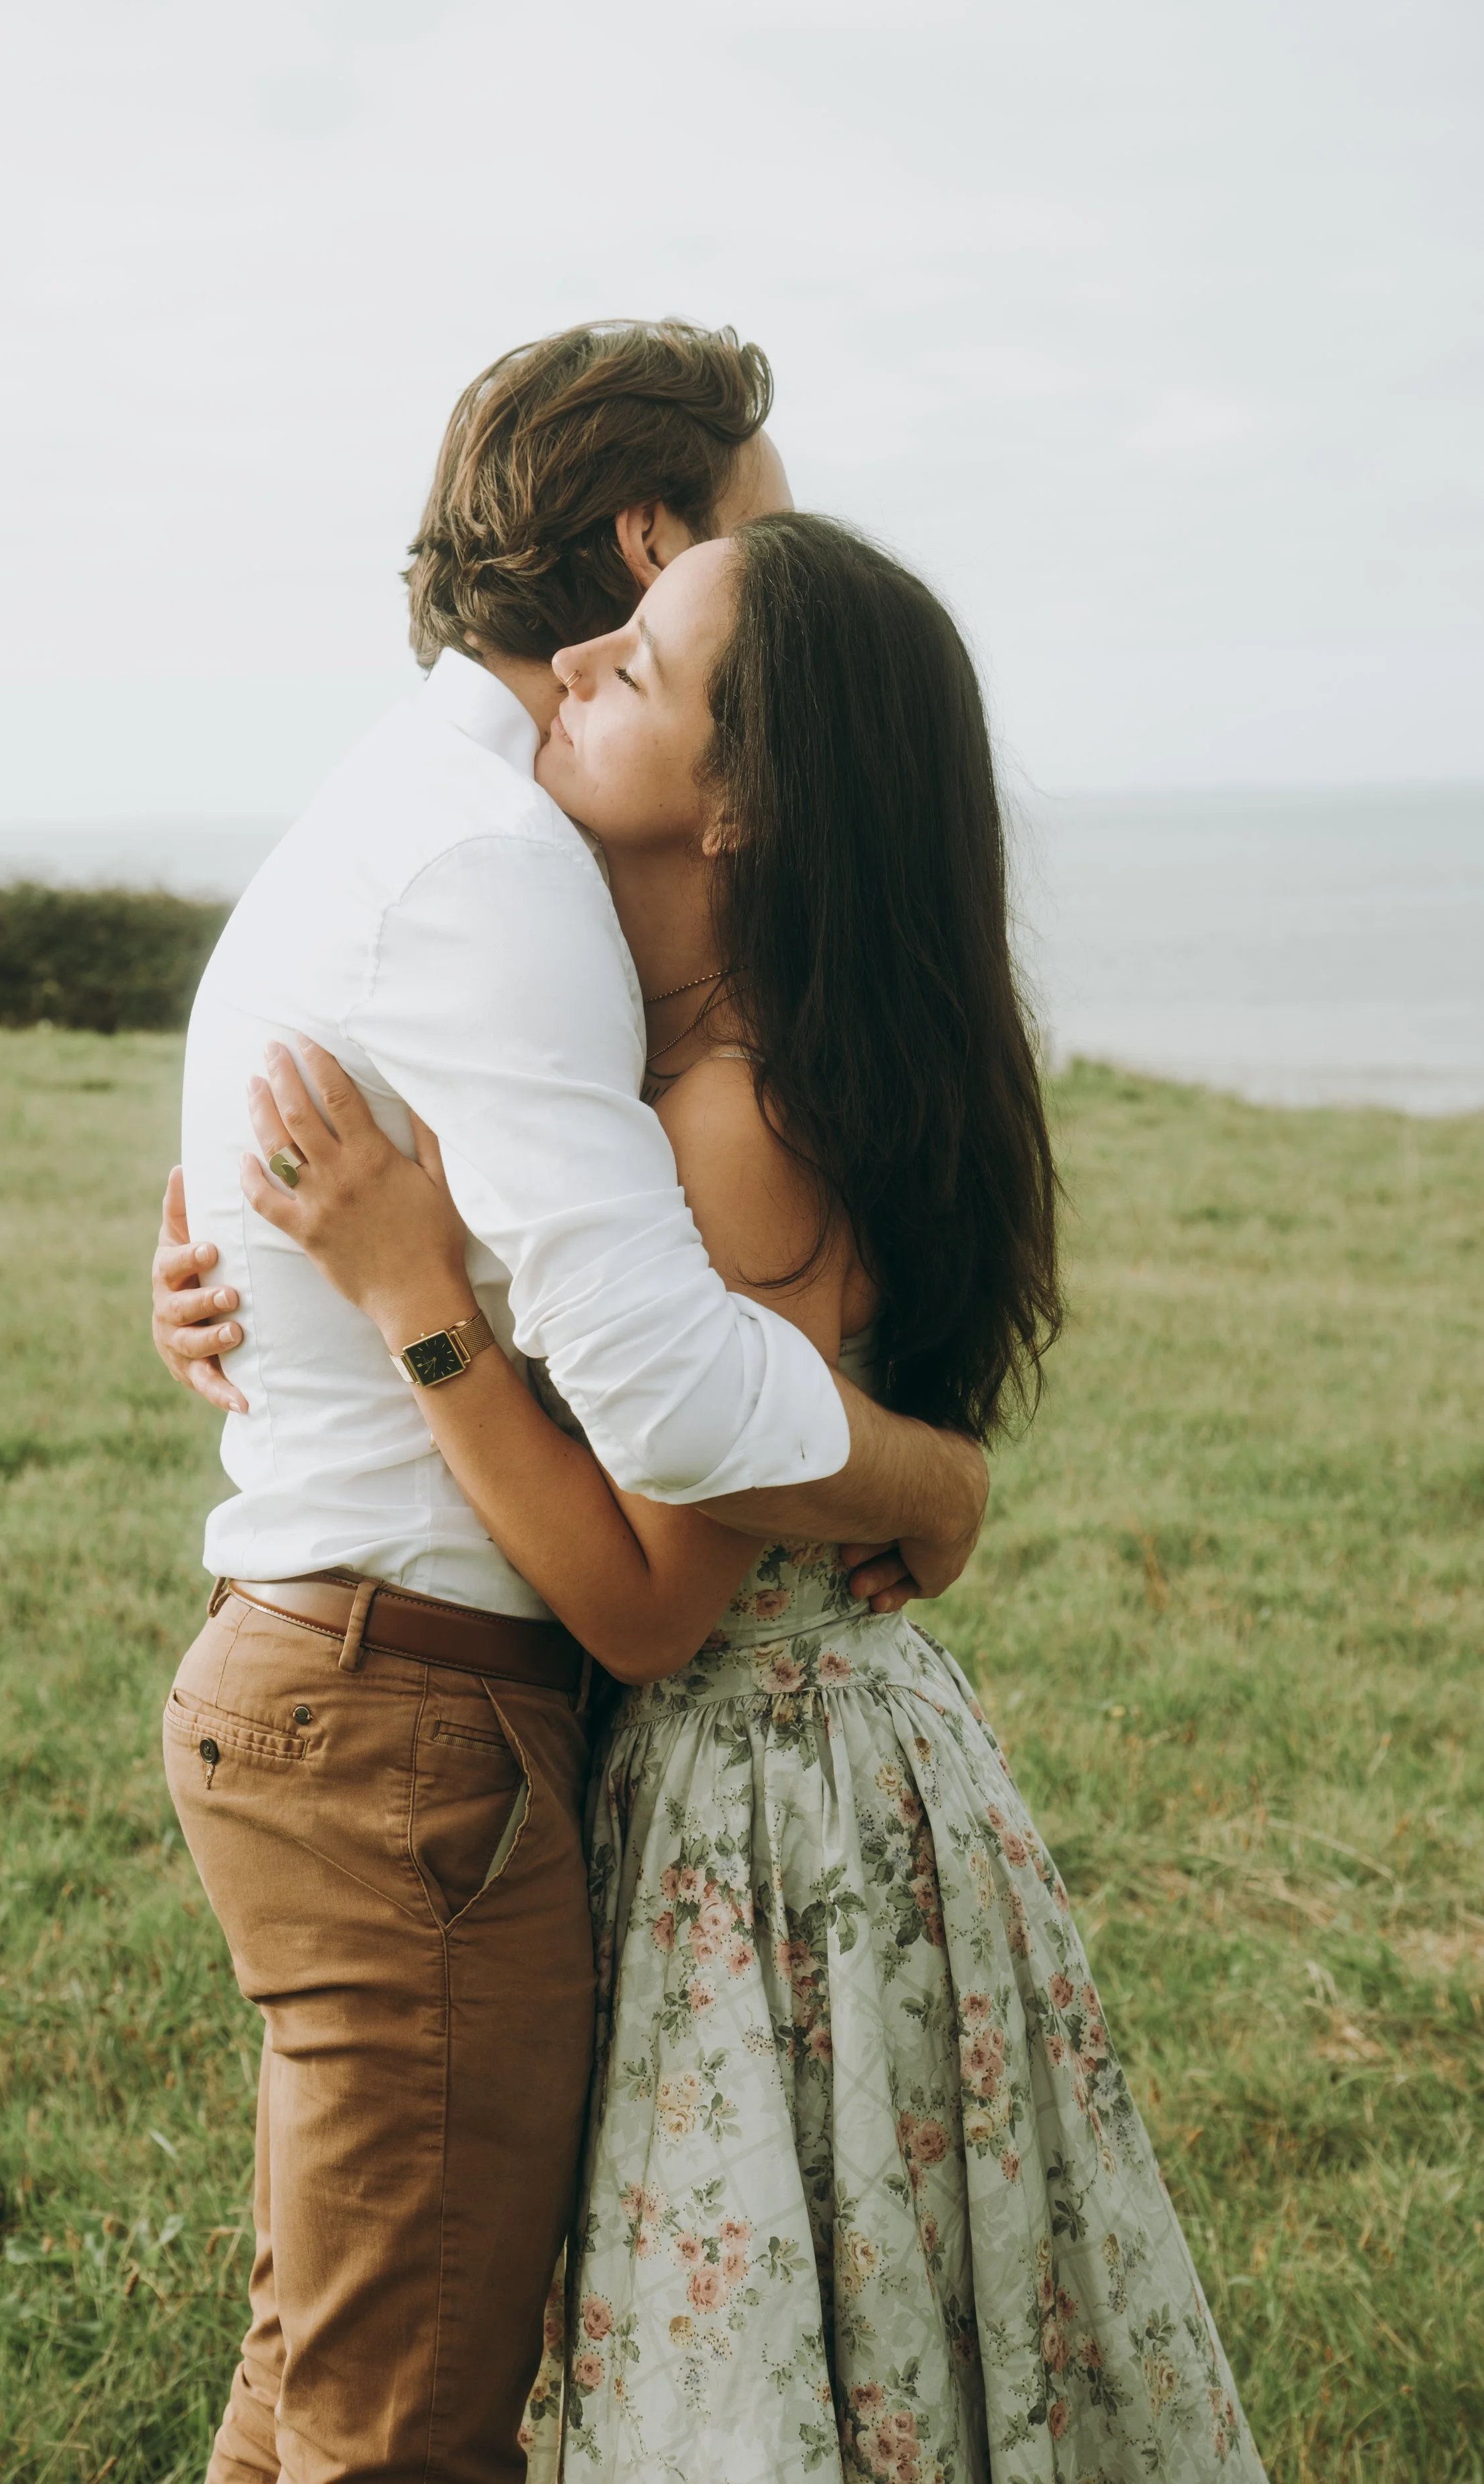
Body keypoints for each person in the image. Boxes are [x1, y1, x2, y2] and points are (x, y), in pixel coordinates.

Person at [233, 513, 1268, 2481]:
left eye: (648, 660)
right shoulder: (715, 1057)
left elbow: (643, 1603)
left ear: (745, 806)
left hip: (760, 1808)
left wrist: (412, 1303)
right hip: (820, 1771)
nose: (582, 663)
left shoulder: (738, 1120)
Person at [152, 322, 991, 2484]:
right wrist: (925, 1475)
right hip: (407, 1713)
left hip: (397, 1704)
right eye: (754, 543)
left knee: (332, 2388)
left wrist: (340, 1289)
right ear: (648, 537)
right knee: (400, 2425)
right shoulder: (499, 863)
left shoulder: (447, 836)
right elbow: (666, 1413)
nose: (769, 591)